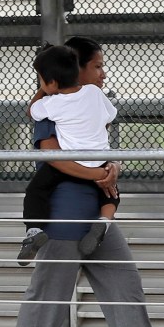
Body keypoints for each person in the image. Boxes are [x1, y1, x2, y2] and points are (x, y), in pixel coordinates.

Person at [7, 37, 164, 327]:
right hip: (62, 219)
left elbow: (103, 153)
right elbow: (53, 160)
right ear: (77, 67)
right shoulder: (51, 110)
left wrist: (112, 167)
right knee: (48, 299)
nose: (103, 74)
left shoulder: (93, 106)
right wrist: (100, 174)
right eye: (97, 67)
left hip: (98, 219)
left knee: (126, 289)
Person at [17, 45, 119, 265]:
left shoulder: (50, 104)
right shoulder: (94, 93)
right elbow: (110, 116)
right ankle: (104, 222)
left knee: (36, 190)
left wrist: (45, 90)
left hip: (69, 163)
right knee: (111, 193)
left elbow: (30, 111)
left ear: (51, 82)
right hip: (100, 161)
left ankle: (33, 231)